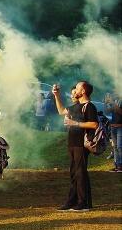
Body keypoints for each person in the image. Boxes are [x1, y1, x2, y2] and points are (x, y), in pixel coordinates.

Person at [52, 81, 99, 211]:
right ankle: (72, 201)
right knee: (74, 173)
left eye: (77, 88)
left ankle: (83, 203)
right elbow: (62, 111)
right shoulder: (74, 107)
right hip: (72, 143)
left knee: (80, 173)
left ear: (83, 91)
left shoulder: (89, 106)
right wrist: (56, 95)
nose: (75, 91)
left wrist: (75, 123)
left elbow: (94, 124)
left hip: (81, 144)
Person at [108, 97, 122, 172]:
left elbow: (120, 112)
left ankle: (121, 166)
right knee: (115, 147)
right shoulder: (115, 100)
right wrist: (106, 103)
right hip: (113, 126)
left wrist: (112, 103)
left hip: (120, 127)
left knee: (120, 147)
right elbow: (107, 112)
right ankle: (117, 165)